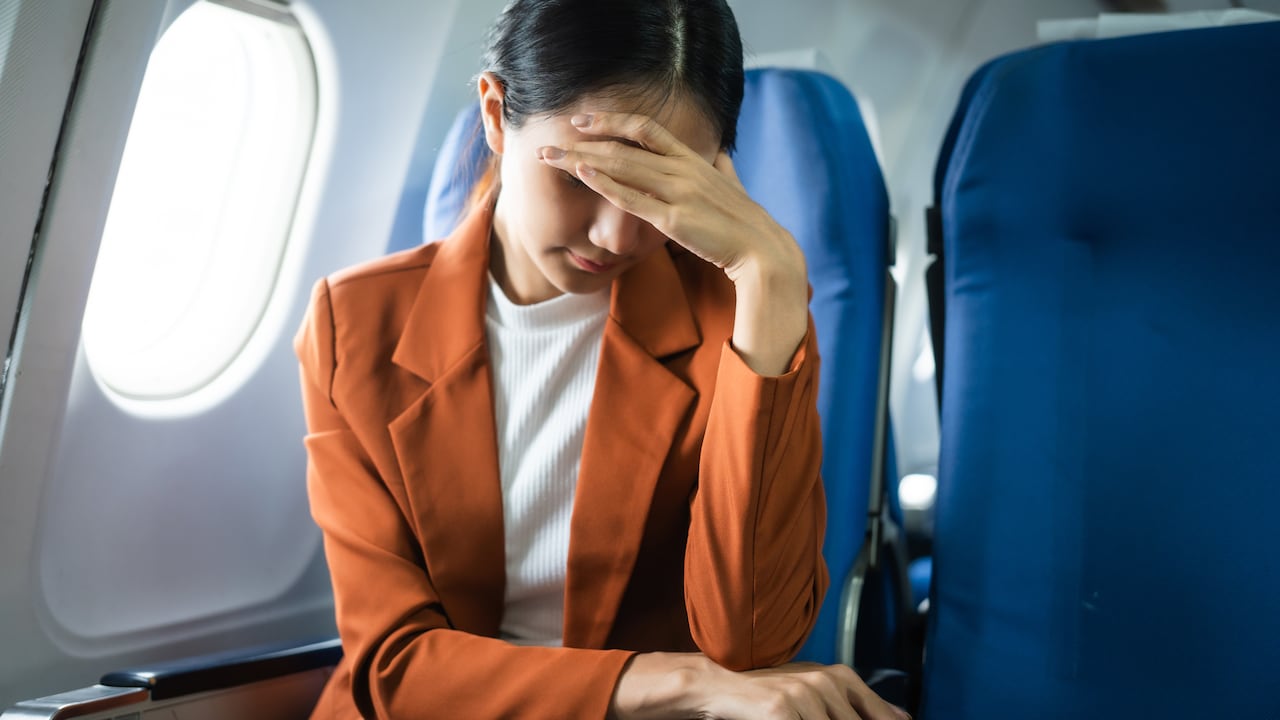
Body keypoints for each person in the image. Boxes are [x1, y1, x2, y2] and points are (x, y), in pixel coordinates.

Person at [295, 1, 909, 718]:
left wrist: (769, 279)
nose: (616, 233)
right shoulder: (356, 325)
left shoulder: (734, 316)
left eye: (655, 190)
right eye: (585, 178)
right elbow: (395, 669)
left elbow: (753, 643)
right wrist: (684, 681)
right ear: (497, 115)